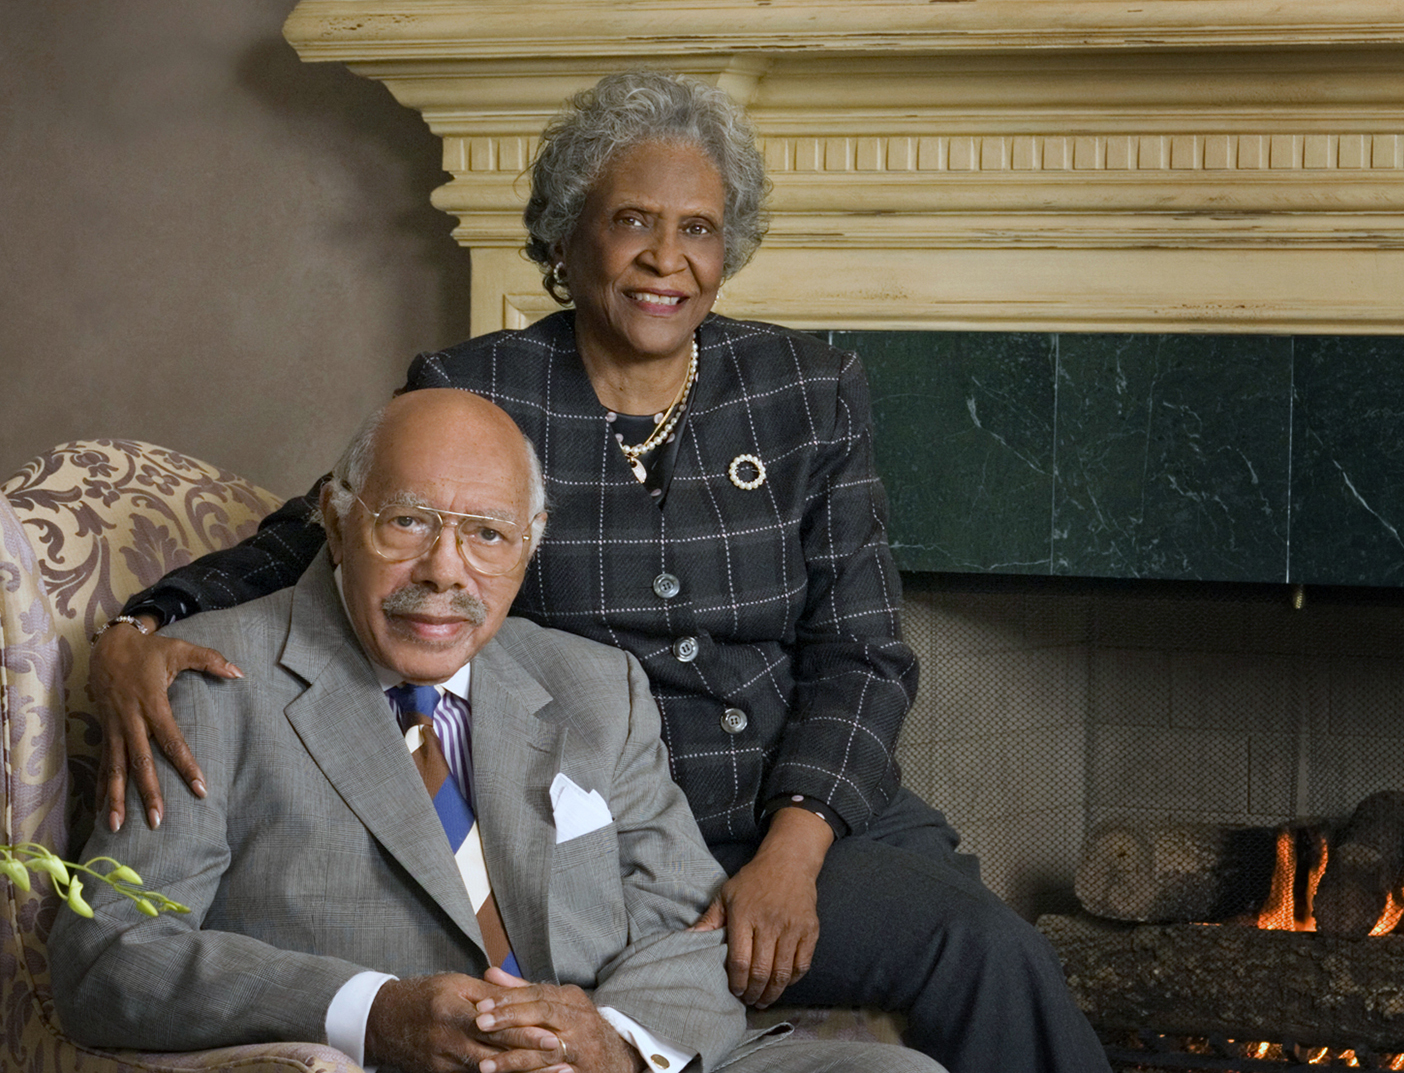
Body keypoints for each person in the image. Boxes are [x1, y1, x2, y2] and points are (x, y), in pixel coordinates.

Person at [88, 70, 1110, 1073]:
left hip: (810, 812)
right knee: (932, 962)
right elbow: (334, 526)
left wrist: (792, 853)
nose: (667, 258)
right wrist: (144, 625)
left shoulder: (807, 389)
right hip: (626, 830)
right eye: (632, 222)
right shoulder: (482, 387)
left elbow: (864, 650)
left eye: (698, 228)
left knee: (991, 951)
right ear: (568, 237)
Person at [51, 388, 942, 1073]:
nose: (445, 570)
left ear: (532, 541)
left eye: (487, 534)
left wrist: (613, 1040)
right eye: (409, 521)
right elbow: (110, 956)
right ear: (337, 516)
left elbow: (689, 923)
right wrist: (375, 1012)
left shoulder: (598, 686)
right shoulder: (211, 682)